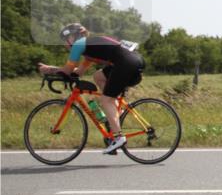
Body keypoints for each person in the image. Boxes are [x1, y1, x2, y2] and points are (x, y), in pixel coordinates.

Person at [37, 23, 145, 154]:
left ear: (74, 36)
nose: (65, 44)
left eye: (66, 40)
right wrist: (60, 71)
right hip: (132, 60)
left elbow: (67, 70)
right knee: (98, 76)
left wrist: (50, 69)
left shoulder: (79, 45)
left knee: (106, 100)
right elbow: (78, 72)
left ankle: (118, 137)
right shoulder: (88, 47)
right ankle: (116, 115)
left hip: (126, 62)